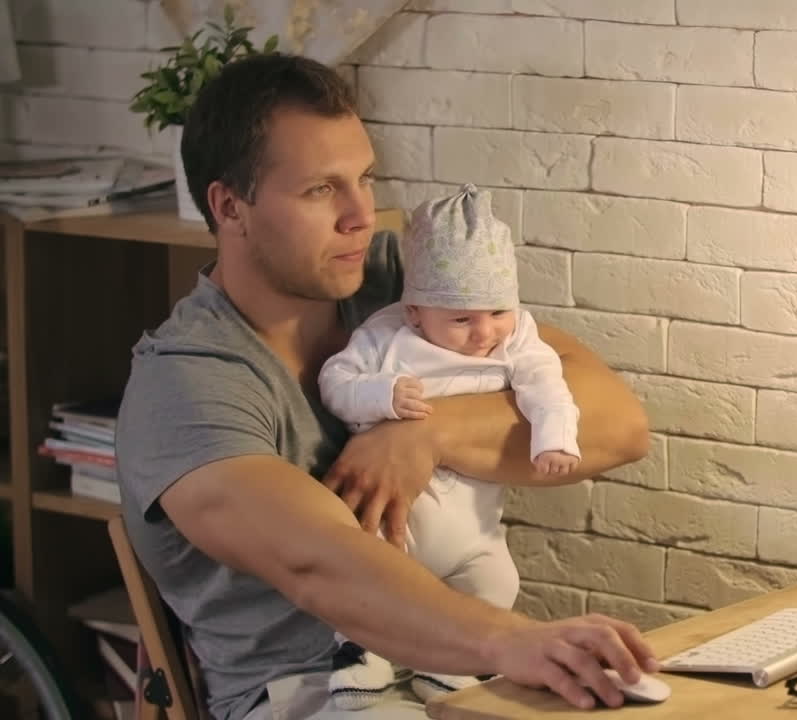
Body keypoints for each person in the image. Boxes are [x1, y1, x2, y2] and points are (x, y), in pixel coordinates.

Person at [115, 52, 657, 720]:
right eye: (320, 190)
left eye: (364, 180)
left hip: (457, 668)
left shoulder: (395, 277)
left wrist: (430, 435)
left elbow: (616, 422)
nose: (361, 216)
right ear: (230, 206)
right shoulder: (187, 380)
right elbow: (320, 561)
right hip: (302, 696)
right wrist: (514, 641)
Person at [318, 183, 581, 709]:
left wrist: (555, 440)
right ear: (415, 311)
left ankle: (446, 668)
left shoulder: (518, 337)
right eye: (461, 319)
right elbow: (334, 380)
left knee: (497, 580)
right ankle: (359, 651)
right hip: (395, 519)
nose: (484, 332)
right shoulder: (386, 336)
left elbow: (547, 386)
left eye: (497, 311)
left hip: (476, 526)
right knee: (369, 578)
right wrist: (381, 395)